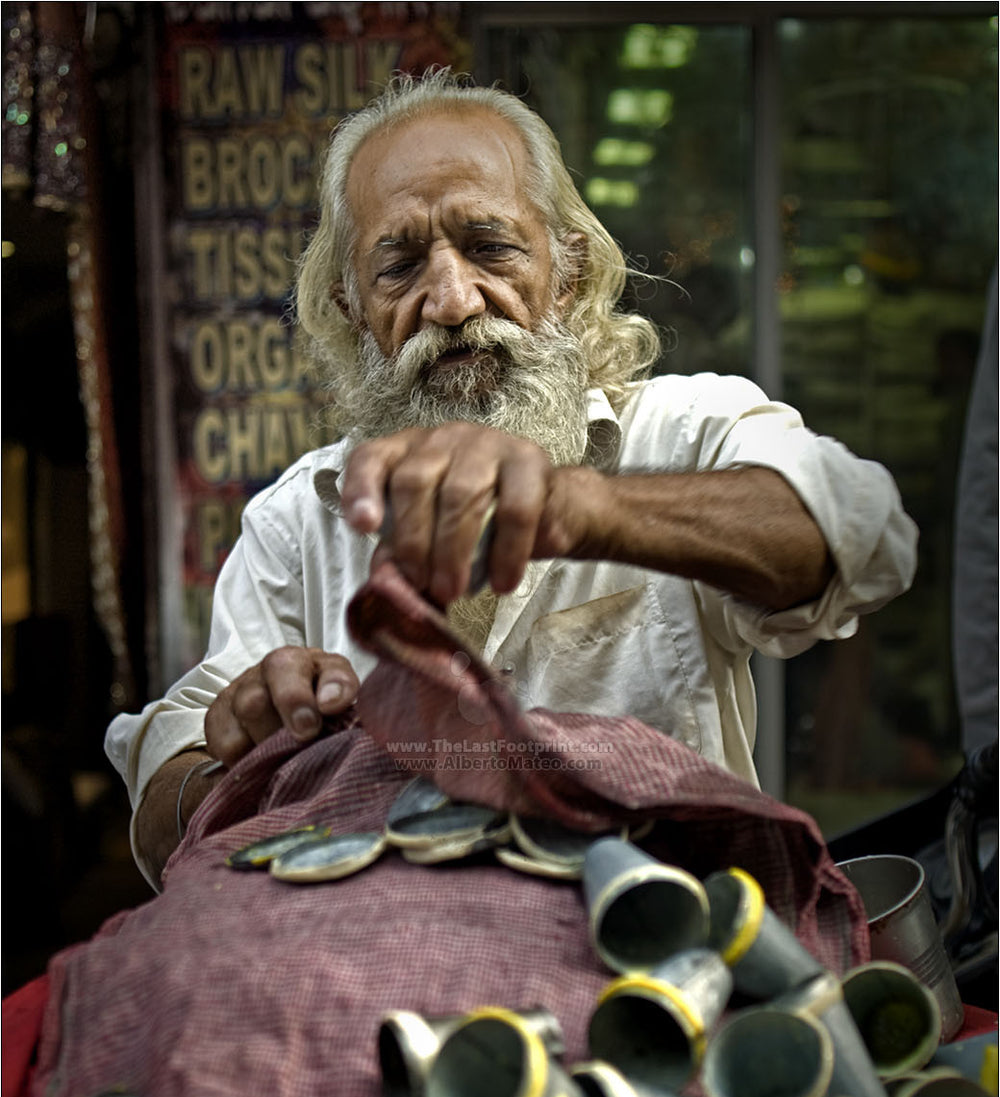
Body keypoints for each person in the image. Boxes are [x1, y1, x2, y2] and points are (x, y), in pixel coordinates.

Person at [106, 70, 918, 888]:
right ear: (353, 307)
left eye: (490, 247)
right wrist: (244, 761)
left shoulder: (682, 431)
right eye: (400, 266)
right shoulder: (296, 523)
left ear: (565, 271)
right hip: (393, 988)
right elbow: (159, 798)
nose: (453, 303)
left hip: (659, 974)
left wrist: (584, 508)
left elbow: (867, 533)